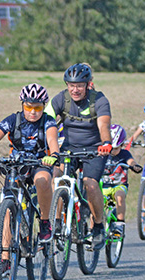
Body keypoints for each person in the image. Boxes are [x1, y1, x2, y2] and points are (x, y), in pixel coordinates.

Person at [0, 84, 60, 274]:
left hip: (39, 163)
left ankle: (44, 222)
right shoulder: (13, 120)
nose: (33, 112)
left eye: (37, 108)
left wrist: (54, 154)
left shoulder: (48, 122)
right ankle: (4, 259)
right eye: (28, 107)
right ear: (22, 105)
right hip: (16, 165)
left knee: (42, 180)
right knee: (8, 209)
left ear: (44, 106)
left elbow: (52, 140)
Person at [44, 63, 112, 250]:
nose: (75, 89)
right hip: (69, 147)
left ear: (88, 84)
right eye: (71, 85)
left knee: (90, 183)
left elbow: (104, 126)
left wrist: (106, 143)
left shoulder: (99, 100)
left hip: (95, 149)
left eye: (80, 85)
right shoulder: (61, 99)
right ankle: (56, 222)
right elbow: (46, 120)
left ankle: (98, 226)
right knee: (57, 177)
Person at [100, 125, 143, 239]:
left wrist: (134, 166)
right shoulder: (103, 153)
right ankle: (92, 228)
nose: (112, 151)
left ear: (122, 145)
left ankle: (120, 224)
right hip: (103, 186)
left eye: (116, 148)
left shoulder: (124, 154)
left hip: (119, 185)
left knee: (119, 197)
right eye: (110, 148)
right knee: (96, 204)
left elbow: (130, 161)